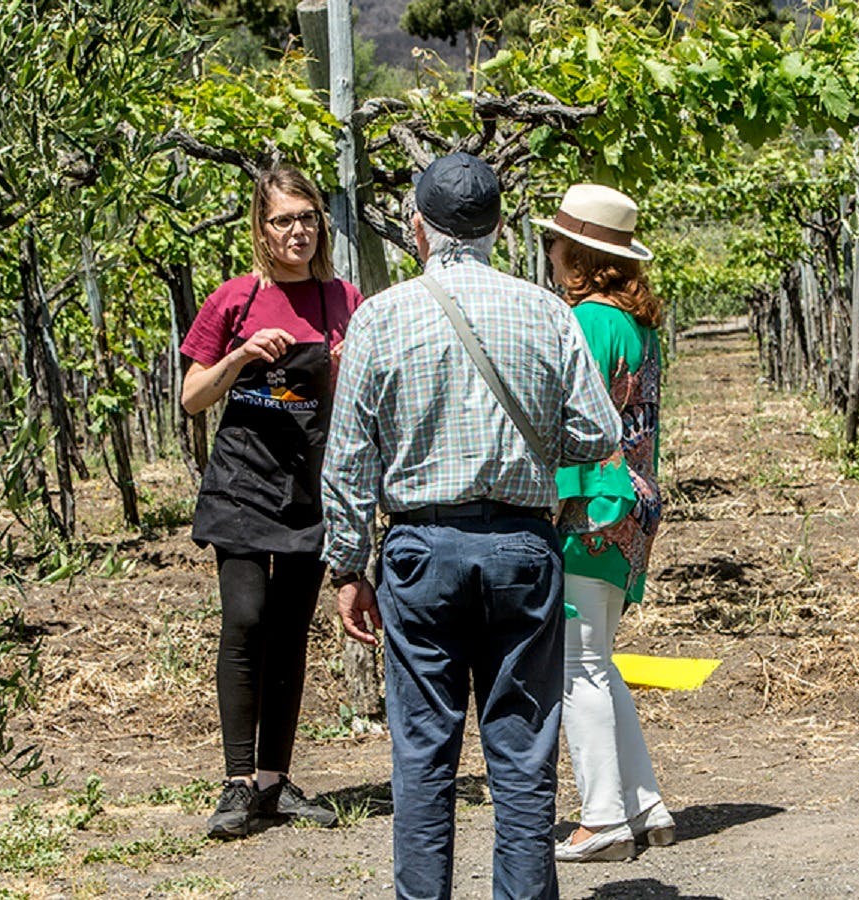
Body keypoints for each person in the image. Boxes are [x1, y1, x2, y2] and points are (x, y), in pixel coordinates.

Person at [321, 152, 621, 900]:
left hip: (421, 551)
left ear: (417, 228)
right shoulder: (546, 311)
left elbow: (348, 458)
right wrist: (534, 452)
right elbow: (598, 432)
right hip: (522, 549)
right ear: (497, 227)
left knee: (423, 753)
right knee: (522, 751)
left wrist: (347, 566)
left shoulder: (379, 317)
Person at [180, 166, 364, 840]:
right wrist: (239, 359)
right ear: (261, 228)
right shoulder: (235, 298)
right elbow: (192, 398)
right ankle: (236, 780)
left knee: (290, 631)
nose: (297, 231)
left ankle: (272, 780)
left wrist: (342, 369)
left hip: (309, 488)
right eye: (283, 219)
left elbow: (357, 401)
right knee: (246, 619)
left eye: (307, 217)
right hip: (242, 484)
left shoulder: (343, 298)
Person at [533, 184, 673, 863]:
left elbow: (569, 418)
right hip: (631, 505)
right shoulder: (638, 325)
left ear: (580, 256)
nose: (550, 251)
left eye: (556, 242)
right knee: (597, 660)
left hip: (590, 505)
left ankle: (602, 818)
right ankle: (643, 803)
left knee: (577, 668)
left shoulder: (587, 320)